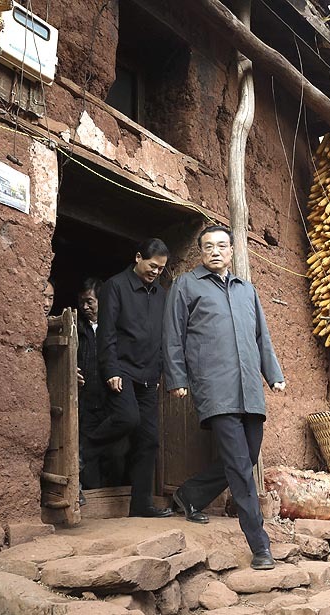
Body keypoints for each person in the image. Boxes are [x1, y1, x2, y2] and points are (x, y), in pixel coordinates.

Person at [162, 224, 285, 570]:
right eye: (208, 246)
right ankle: (259, 545)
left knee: (247, 456)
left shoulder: (247, 290)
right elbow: (173, 335)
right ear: (201, 252)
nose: (215, 251)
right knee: (240, 466)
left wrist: (273, 374)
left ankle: (190, 494)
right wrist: (177, 377)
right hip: (214, 385)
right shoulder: (186, 285)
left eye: (221, 246)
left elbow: (262, 336)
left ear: (231, 251)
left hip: (250, 388)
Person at [87, 238, 173, 518]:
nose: (156, 272)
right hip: (122, 370)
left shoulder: (161, 294)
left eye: (161, 269)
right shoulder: (115, 286)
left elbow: (163, 335)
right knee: (127, 418)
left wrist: (159, 370)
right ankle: (83, 451)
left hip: (149, 375)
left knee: (149, 440)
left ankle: (141, 504)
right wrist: (111, 369)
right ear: (138, 257)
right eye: (152, 266)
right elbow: (107, 332)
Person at [75, 277, 111, 489]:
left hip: (110, 401)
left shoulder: (113, 326)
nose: (85, 307)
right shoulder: (77, 328)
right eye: (82, 302)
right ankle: (93, 494)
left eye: (89, 301)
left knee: (115, 454)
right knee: (88, 455)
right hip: (86, 401)